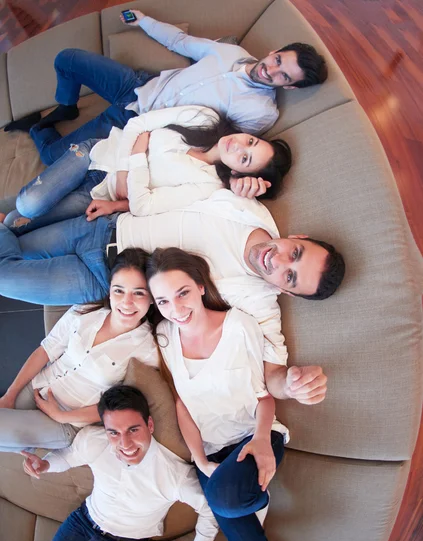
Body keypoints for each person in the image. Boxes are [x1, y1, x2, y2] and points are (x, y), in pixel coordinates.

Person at [0, 192, 345, 404]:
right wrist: (120, 202)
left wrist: (291, 386)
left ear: (285, 291)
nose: (279, 261)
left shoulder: (260, 302)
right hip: (104, 226)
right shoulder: (245, 208)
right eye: (295, 252)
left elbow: (273, 373)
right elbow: (181, 190)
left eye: (290, 277)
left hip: (105, 282)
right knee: (12, 230)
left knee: (4, 274)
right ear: (297, 236)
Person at [4, 9, 327, 166]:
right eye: (279, 60)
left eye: (285, 77)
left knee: (51, 157)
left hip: (135, 125)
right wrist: (143, 21)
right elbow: (182, 42)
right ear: (275, 52)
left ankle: (39, 128)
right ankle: (68, 106)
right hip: (138, 85)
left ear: (292, 88)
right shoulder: (232, 53)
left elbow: (222, 146)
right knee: (67, 58)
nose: (272, 71)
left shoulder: (261, 112)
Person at [146, 247, 289, 541]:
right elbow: (182, 405)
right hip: (210, 450)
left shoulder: (239, 327)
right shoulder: (164, 335)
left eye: (182, 293)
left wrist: (262, 440)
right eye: (163, 301)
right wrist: (199, 460)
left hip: (251, 439)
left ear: (200, 286)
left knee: (223, 500)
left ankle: (248, 494)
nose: (176, 309)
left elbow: (263, 396)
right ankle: (251, 496)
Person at [15, 384, 218, 541]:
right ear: (105, 429)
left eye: (133, 430)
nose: (125, 443)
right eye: (113, 432)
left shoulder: (174, 475)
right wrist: (45, 465)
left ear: (149, 424)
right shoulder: (94, 440)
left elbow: (209, 509)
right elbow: (68, 457)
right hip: (83, 521)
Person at [2, 105, 292, 236]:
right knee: (29, 203)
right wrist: (127, 172)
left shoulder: (209, 186)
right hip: (98, 153)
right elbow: (138, 124)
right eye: (250, 141)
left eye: (245, 158)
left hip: (101, 191)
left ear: (240, 174)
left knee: (19, 223)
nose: (238, 146)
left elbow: (144, 206)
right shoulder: (205, 118)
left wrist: (139, 155)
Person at [0, 248, 159, 452]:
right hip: (37, 388)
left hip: (66, 421)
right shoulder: (84, 312)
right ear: (110, 290)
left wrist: (62, 416)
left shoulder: (147, 350)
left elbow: (122, 406)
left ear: (152, 297)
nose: (127, 302)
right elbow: (45, 351)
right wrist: (10, 395)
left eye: (138, 293)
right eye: (119, 290)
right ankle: (26, 443)